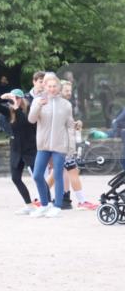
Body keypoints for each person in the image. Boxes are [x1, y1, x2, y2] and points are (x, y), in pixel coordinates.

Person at [27, 72, 76, 218]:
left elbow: (69, 126)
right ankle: (44, 204)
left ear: (58, 87)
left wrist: (71, 147)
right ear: (45, 86)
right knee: (37, 175)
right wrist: (38, 106)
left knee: (58, 175)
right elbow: (31, 120)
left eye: (55, 86)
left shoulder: (66, 105)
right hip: (43, 145)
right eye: (49, 86)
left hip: (60, 145)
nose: (52, 89)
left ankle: (57, 206)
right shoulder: (38, 101)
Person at [45, 79, 97, 211]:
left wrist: (75, 124)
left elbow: (65, 123)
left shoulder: (64, 104)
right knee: (72, 171)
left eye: (70, 90)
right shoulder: (58, 104)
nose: (69, 93)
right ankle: (82, 201)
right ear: (59, 90)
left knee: (57, 172)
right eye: (67, 90)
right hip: (62, 144)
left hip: (62, 143)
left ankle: (41, 199)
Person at [0, 89, 37, 213]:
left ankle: (47, 203)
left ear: (22, 99)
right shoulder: (9, 111)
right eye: (13, 98)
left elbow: (24, 123)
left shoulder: (29, 110)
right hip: (16, 149)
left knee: (37, 176)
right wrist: (1, 96)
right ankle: (29, 205)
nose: (15, 100)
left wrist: (17, 108)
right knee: (15, 178)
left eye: (17, 98)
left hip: (30, 149)